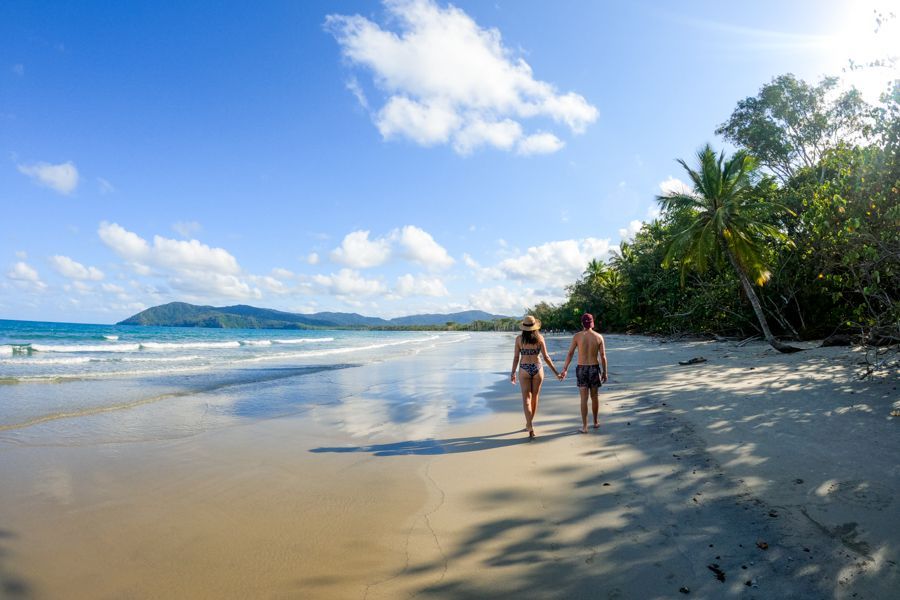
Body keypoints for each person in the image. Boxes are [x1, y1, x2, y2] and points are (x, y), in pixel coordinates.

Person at [510, 315, 561, 439]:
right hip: (537, 368)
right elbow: (546, 357)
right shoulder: (540, 338)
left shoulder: (519, 339)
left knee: (526, 398)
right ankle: (529, 423)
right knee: (535, 397)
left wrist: (512, 373)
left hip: (524, 369)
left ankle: (530, 425)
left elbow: (516, 358)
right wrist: (556, 373)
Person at [561, 313, 608, 433]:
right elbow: (603, 356)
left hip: (582, 368)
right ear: (592, 323)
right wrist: (604, 372)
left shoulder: (577, 336)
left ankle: (585, 426)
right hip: (594, 368)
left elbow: (570, 353)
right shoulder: (598, 337)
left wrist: (565, 368)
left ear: (582, 323)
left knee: (583, 398)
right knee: (595, 397)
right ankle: (596, 422)